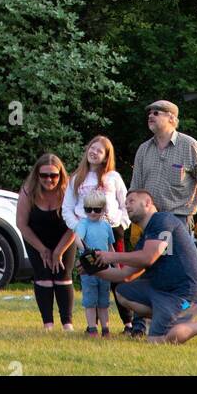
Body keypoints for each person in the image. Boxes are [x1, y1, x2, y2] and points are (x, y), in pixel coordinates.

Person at [93, 189, 197, 346]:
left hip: (186, 295)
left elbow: (148, 257)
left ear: (147, 202)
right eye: (125, 203)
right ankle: (168, 318)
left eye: (131, 201)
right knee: (122, 292)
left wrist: (111, 256)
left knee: (157, 340)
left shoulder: (163, 220)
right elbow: (125, 275)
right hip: (163, 293)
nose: (127, 206)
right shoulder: (146, 236)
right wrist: (95, 270)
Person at [63, 133, 132, 330]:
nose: (94, 152)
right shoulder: (77, 178)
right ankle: (93, 324)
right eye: (92, 148)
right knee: (92, 275)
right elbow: (67, 207)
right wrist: (77, 227)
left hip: (110, 231)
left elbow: (125, 203)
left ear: (106, 156)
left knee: (117, 276)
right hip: (86, 234)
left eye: (99, 150)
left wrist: (123, 223)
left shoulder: (113, 177)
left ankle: (128, 322)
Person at [129, 100, 197, 235]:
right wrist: (135, 220)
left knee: (175, 257)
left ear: (171, 118)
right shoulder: (143, 149)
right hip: (148, 219)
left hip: (178, 220)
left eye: (156, 113)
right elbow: (135, 187)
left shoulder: (189, 145)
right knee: (148, 256)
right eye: (149, 113)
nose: (150, 116)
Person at [16, 153, 77, 331]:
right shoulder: (28, 191)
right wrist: (42, 249)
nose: (49, 179)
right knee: (43, 276)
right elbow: (21, 224)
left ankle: (67, 324)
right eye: (44, 175)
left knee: (63, 275)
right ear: (37, 175)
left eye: (54, 175)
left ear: (61, 175)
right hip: (36, 238)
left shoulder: (68, 192)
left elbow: (74, 225)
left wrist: (59, 251)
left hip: (65, 236)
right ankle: (48, 324)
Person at [74, 188, 113, 337]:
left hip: (104, 269)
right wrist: (86, 251)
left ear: (103, 209)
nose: (92, 213)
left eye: (96, 210)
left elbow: (110, 247)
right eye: (88, 209)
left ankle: (105, 329)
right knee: (90, 300)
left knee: (104, 301)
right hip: (89, 269)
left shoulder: (106, 226)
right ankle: (92, 328)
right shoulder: (83, 223)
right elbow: (77, 238)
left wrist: (116, 264)